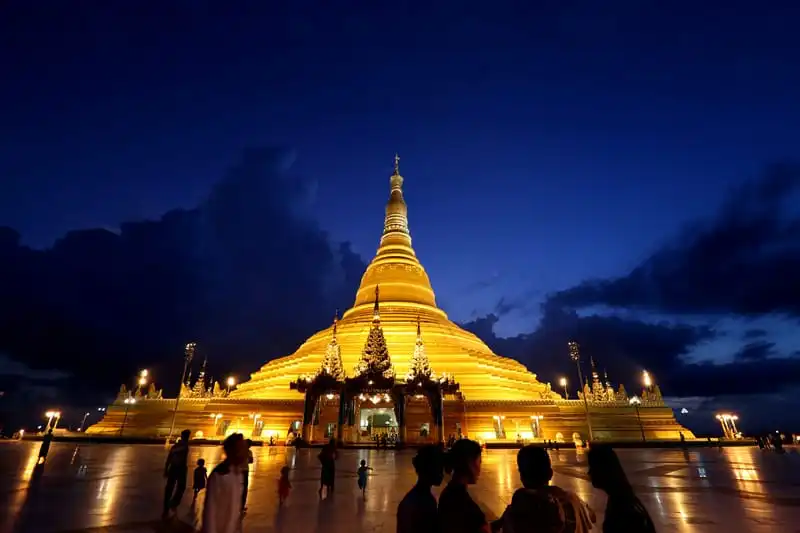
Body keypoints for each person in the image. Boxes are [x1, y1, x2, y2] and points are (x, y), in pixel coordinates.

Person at [499, 445, 595, 533]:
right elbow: (592, 517)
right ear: (550, 473)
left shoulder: (517, 509)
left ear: (522, 476)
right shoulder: (572, 500)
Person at [587, 444, 656, 533]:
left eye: (592, 467)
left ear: (604, 470)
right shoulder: (623, 499)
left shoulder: (621, 509)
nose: (589, 472)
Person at [438, 438, 490, 533]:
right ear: (470, 463)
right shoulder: (463, 503)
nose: (480, 468)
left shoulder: (448, 493)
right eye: (479, 462)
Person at [202, 433, 248, 533]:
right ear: (234, 451)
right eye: (242, 449)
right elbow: (210, 512)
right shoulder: (219, 475)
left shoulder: (238, 474)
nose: (246, 453)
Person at [397, 445, 444, 533]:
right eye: (439, 468)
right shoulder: (420, 502)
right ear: (429, 468)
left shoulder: (415, 499)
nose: (442, 473)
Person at [163, 429, 192, 518]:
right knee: (180, 487)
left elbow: (169, 458)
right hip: (180, 468)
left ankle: (167, 505)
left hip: (175, 468)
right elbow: (172, 456)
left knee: (171, 487)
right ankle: (172, 503)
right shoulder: (184, 446)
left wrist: (166, 468)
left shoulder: (176, 446)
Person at [241, 439, 254, 511]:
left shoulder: (248, 452)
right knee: (243, 488)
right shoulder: (248, 452)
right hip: (244, 471)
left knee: (242, 488)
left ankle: (241, 505)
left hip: (242, 471)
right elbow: (251, 461)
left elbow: (251, 461)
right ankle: (241, 505)